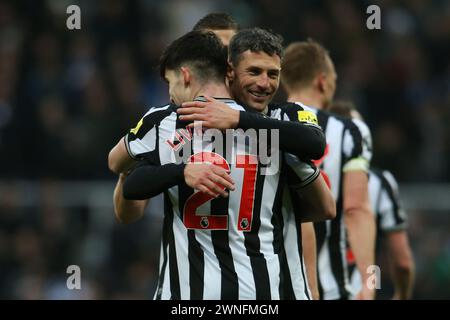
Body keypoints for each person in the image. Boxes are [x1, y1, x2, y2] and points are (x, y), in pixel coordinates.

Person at [111, 30, 334, 299]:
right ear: (230, 71)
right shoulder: (281, 132)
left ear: (184, 76)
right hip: (258, 294)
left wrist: (238, 121)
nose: (264, 83)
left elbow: (121, 169)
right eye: (254, 72)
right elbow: (325, 205)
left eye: (273, 74)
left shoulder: (166, 121)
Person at [280, 40, 376, 300]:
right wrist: (369, 282)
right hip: (331, 286)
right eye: (333, 78)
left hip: (272, 285)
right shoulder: (350, 131)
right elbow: (357, 209)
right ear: (322, 80)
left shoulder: (263, 126)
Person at [329, 100, 415, 300]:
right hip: (362, 290)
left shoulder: (302, 177)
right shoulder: (380, 182)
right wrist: (402, 294)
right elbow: (402, 262)